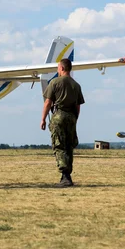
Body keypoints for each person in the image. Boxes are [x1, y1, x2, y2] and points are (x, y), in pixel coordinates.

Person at [40, 58, 85, 187]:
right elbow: (78, 106)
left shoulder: (54, 82)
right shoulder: (76, 85)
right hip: (71, 116)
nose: (57, 70)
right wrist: (74, 119)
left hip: (59, 116)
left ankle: (65, 176)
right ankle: (66, 175)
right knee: (69, 146)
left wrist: (43, 119)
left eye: (58, 67)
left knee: (59, 146)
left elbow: (48, 103)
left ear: (62, 68)